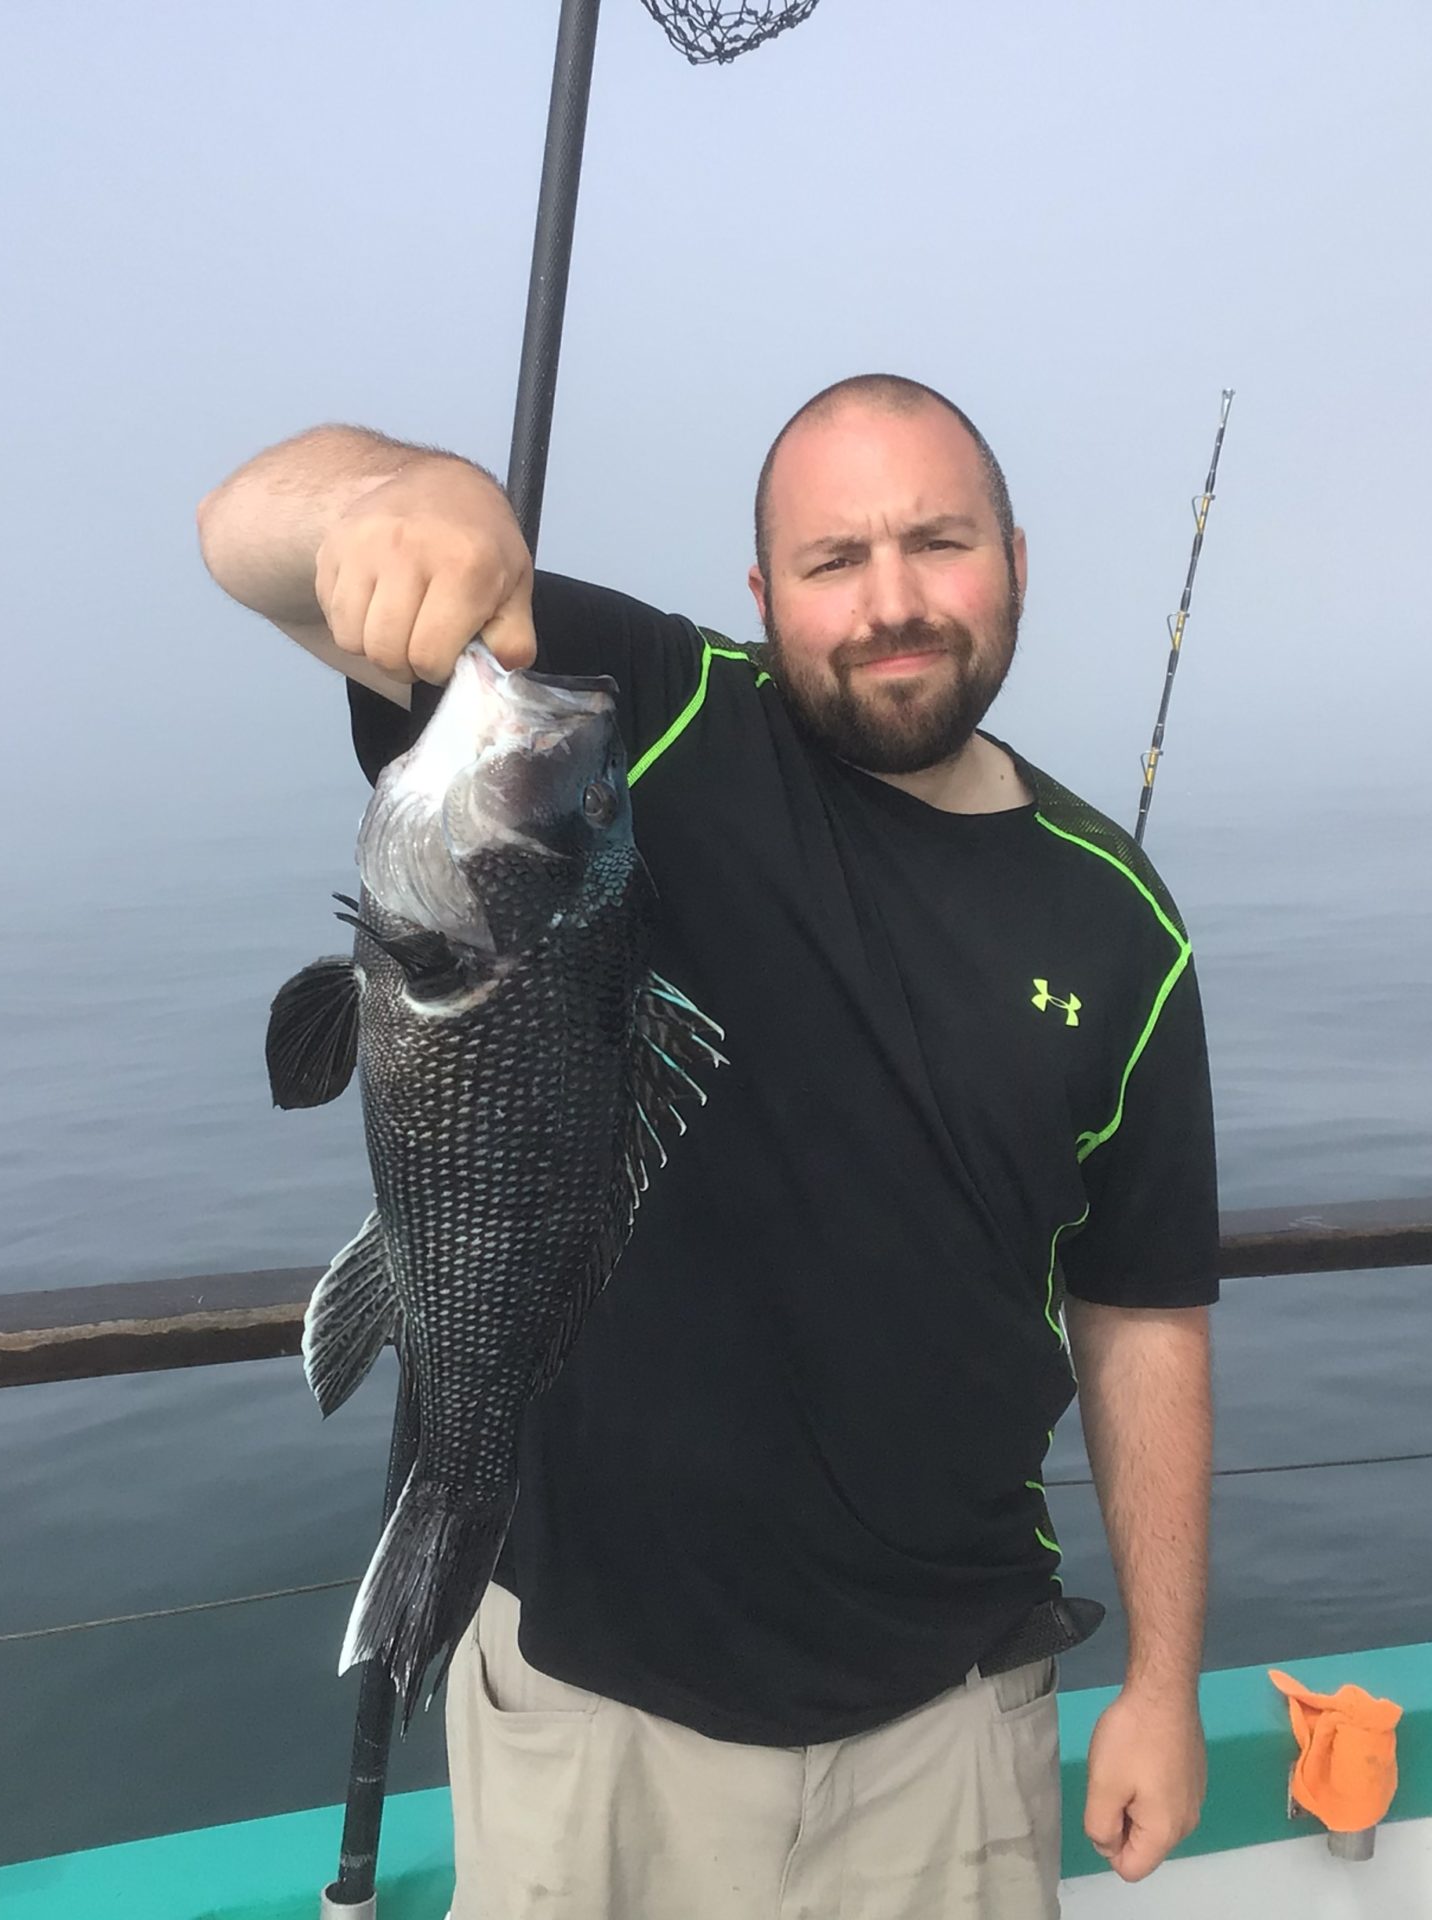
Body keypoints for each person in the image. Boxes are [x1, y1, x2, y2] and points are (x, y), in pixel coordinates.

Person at [198, 373, 1218, 1920]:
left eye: (937, 545)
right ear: (762, 596)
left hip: (953, 1723)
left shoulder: (1119, 919)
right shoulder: (639, 715)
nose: (891, 603)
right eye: (833, 562)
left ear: (1015, 558)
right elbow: (240, 533)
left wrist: (1162, 1676)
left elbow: (1143, 1312)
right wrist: (408, 497)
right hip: (590, 1708)